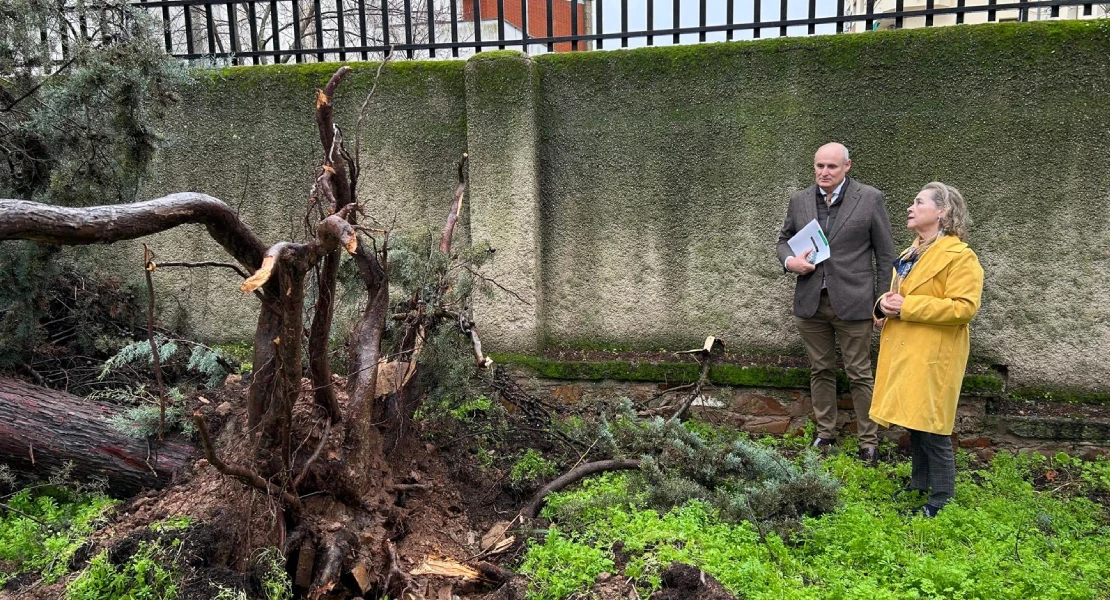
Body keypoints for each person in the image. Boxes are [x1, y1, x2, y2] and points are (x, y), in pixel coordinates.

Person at [776, 143, 896, 465]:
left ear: (847, 166)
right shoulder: (799, 200)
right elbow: (784, 240)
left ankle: (868, 442)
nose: (824, 172)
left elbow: (885, 256)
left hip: (855, 302)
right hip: (811, 302)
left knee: (859, 373)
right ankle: (825, 433)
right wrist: (790, 262)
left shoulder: (870, 199)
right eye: (819, 166)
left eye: (831, 166)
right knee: (820, 369)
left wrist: (881, 302)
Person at [870, 182, 984, 517]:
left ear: (943, 211)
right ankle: (918, 485)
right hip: (909, 349)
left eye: (919, 202)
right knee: (914, 421)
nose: (910, 207)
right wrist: (882, 306)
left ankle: (941, 499)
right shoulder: (912, 253)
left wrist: (907, 306)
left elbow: (964, 307)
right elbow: (895, 295)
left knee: (933, 427)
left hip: (935, 353)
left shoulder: (961, 257)